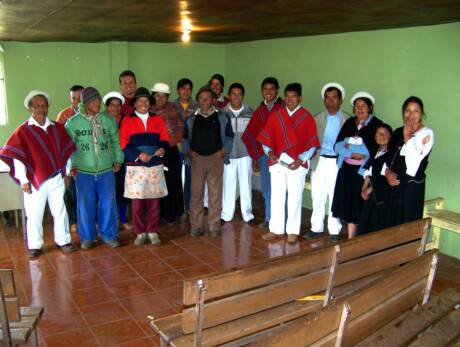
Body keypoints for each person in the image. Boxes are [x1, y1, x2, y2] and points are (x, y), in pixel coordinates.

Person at [0, 90, 76, 257]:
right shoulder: (23, 131)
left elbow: (66, 153)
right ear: (30, 108)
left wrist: (68, 173)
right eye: (37, 106)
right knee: (34, 213)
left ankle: (63, 240)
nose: (41, 109)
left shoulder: (57, 128)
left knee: (60, 210)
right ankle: (35, 245)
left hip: (57, 178)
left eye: (44, 105)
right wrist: (23, 180)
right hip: (34, 181)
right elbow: (18, 158)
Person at [257, 83, 319, 244]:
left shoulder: (306, 117)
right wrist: (269, 152)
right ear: (284, 97)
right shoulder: (277, 116)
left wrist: (301, 160)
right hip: (277, 162)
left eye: (294, 96)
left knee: (294, 197)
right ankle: (276, 229)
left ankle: (292, 231)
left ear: (300, 98)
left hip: (296, 164)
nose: (290, 100)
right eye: (288, 96)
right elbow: (266, 139)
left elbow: (312, 144)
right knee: (277, 196)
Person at [65, 87, 124, 249]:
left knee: (108, 203)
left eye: (98, 100)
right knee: (85, 205)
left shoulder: (108, 120)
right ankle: (87, 237)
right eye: (93, 101)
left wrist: (118, 160)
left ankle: (109, 234)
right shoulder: (73, 123)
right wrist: (72, 166)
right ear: (85, 103)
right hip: (84, 171)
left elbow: (115, 142)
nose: (97, 104)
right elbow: (69, 149)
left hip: (106, 169)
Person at [119, 87, 170, 245]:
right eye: (140, 101)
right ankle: (140, 232)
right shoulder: (127, 120)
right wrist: (138, 155)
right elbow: (124, 143)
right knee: (137, 202)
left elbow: (165, 139)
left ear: (150, 103)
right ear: (134, 104)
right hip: (136, 167)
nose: (143, 103)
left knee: (154, 201)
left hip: (155, 164)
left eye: (146, 101)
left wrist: (162, 148)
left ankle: (153, 231)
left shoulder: (158, 119)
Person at [182, 85, 234, 237]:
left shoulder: (222, 117)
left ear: (213, 100)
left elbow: (230, 137)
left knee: (215, 194)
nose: (204, 101)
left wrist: (223, 151)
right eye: (201, 98)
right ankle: (196, 226)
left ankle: (214, 226)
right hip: (197, 160)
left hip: (215, 159)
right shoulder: (191, 119)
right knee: (196, 194)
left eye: (208, 98)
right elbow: (185, 139)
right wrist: (189, 152)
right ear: (198, 100)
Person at [331, 91, 383, 239]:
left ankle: (359, 238)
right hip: (346, 170)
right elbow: (338, 146)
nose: (359, 109)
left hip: (363, 172)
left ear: (370, 108)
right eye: (356, 106)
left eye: (363, 106)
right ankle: (351, 236)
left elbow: (375, 151)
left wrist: (357, 152)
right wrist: (352, 154)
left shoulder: (376, 125)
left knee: (359, 204)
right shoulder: (350, 122)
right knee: (348, 205)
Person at [304, 82, 351, 242]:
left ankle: (334, 229)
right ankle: (316, 227)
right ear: (324, 100)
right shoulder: (317, 118)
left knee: (334, 195)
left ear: (340, 100)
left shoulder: (348, 120)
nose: (331, 101)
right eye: (328, 98)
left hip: (338, 162)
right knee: (318, 195)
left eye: (334, 98)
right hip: (320, 160)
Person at [242, 77, 285, 229]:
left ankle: (283, 220)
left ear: (277, 91)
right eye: (265, 89)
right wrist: (255, 156)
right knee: (267, 189)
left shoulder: (283, 108)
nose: (268, 92)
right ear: (262, 91)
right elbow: (251, 134)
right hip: (264, 156)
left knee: (281, 189)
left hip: (281, 157)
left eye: (271, 89)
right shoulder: (260, 111)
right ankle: (269, 219)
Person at [385, 96, 434, 226]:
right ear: (403, 113)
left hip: (411, 186)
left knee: (407, 224)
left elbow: (413, 165)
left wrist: (407, 137)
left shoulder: (426, 133)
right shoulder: (397, 132)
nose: (411, 115)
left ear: (422, 114)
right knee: (391, 223)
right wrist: (387, 173)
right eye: (408, 110)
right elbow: (387, 157)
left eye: (416, 111)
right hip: (393, 184)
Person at [150, 82, 185, 224]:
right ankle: (158, 214)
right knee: (156, 183)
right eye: (157, 96)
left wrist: (167, 144)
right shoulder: (148, 110)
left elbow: (181, 131)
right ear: (153, 96)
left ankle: (172, 213)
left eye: (164, 96)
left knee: (172, 182)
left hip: (170, 151)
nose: (160, 99)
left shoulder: (174, 110)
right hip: (153, 152)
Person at [221, 83, 254, 224]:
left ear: (243, 96)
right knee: (228, 185)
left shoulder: (250, 112)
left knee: (246, 184)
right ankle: (226, 214)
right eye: (233, 94)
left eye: (239, 94)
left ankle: (247, 214)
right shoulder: (222, 113)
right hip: (228, 155)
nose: (236, 97)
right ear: (229, 96)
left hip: (245, 155)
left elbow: (254, 135)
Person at [56, 84, 84, 233]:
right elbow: (58, 140)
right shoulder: (64, 115)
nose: (77, 102)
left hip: (87, 159)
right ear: (70, 99)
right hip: (69, 158)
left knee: (86, 192)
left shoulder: (92, 113)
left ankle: (88, 219)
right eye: (74, 98)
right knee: (70, 191)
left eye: (80, 98)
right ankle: (73, 220)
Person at [103, 91, 132, 231]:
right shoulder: (101, 120)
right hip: (106, 161)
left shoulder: (127, 119)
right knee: (109, 191)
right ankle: (111, 219)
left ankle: (123, 219)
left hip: (124, 159)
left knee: (123, 190)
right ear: (107, 107)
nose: (115, 108)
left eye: (118, 105)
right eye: (112, 105)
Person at [358, 124, 393, 235]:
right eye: (379, 133)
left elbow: (381, 178)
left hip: (381, 195)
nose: (382, 136)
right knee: (365, 222)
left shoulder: (391, 156)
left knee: (376, 225)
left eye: (385, 133)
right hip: (370, 193)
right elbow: (369, 172)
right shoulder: (375, 152)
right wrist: (363, 189)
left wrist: (369, 190)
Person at [174, 78, 199, 215]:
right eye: (183, 88)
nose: (186, 91)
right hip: (177, 147)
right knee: (176, 178)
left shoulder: (197, 106)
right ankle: (178, 208)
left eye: (188, 88)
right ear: (178, 90)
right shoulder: (172, 106)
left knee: (191, 178)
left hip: (191, 148)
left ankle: (190, 207)